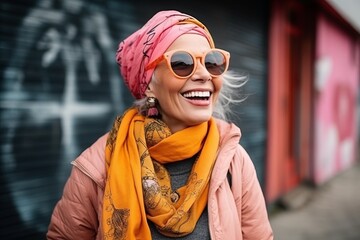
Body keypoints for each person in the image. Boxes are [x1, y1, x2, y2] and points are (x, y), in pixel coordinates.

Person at [46, 10, 274, 240]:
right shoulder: (96, 166)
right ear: (148, 84)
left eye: (212, 62)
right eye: (182, 63)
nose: (204, 74)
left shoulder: (234, 161)